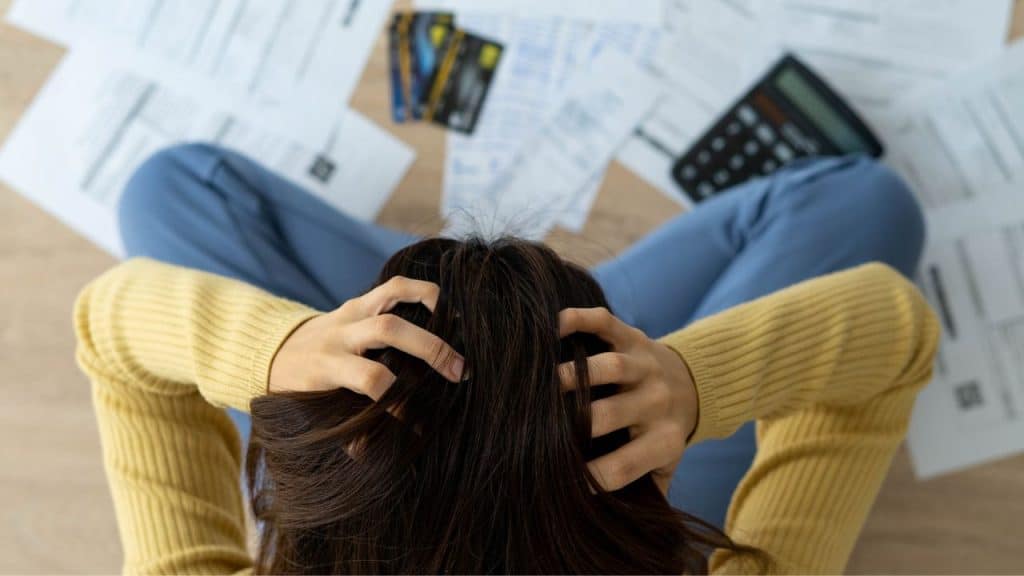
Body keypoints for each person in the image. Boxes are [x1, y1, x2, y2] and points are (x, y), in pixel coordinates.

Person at [74, 143, 938, 573]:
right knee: (866, 201)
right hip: (604, 454)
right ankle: (505, 335)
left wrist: (281, 350)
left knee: (171, 186)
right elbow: (897, 334)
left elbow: (111, 332)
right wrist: (694, 382)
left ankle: (487, 335)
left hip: (483, 443)